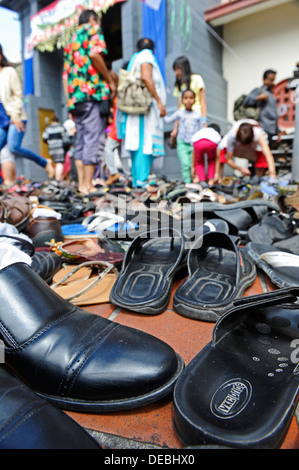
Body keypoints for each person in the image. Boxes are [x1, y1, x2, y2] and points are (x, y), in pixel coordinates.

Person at [62, 9, 116, 195]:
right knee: (94, 139)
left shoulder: (71, 40)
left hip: (76, 97)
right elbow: (95, 55)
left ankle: (81, 185)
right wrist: (109, 79)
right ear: (93, 19)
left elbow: (65, 75)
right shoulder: (92, 29)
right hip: (91, 93)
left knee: (82, 141)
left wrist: (70, 101)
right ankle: (87, 186)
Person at [0, 44, 54, 185]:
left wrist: (16, 116)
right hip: (1, 121)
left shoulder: (9, 72)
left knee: (13, 146)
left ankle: (44, 163)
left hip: (14, 116)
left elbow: (18, 95)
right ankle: (6, 184)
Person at [117, 38, 166, 188]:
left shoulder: (135, 58)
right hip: (145, 110)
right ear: (153, 49)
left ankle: (137, 179)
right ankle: (142, 180)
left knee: (136, 142)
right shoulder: (146, 56)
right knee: (144, 142)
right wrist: (159, 101)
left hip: (136, 110)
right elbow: (146, 77)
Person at [164, 89, 202, 183]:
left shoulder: (198, 115)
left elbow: (201, 130)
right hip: (182, 143)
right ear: (182, 100)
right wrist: (162, 112)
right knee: (185, 164)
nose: (188, 100)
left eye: (191, 98)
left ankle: (194, 183)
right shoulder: (179, 113)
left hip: (194, 145)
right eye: (186, 98)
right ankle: (187, 184)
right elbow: (168, 120)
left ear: (194, 100)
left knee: (192, 165)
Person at [170, 56, 207, 140]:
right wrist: (175, 128)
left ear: (184, 68)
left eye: (178, 69)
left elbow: (203, 102)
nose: (176, 73)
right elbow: (179, 108)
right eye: (175, 70)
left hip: (196, 119)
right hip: (183, 121)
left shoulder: (197, 79)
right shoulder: (178, 85)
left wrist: (204, 121)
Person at [243, 69, 281, 148]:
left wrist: (278, 130)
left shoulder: (271, 94)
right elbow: (246, 102)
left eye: (273, 80)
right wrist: (259, 98)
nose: (273, 82)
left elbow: (275, 114)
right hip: (263, 127)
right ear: (264, 79)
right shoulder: (259, 91)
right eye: (271, 80)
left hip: (272, 129)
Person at [42, 114, 67, 181]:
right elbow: (65, 137)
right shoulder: (61, 127)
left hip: (52, 148)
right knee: (59, 163)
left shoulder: (48, 128)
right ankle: (58, 180)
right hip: (59, 147)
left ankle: (56, 178)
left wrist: (49, 142)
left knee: (56, 163)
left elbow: (44, 137)